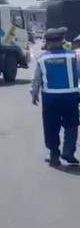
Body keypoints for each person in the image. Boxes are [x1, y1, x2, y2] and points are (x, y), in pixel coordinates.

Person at [30, 28, 80, 166]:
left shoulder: (42, 59)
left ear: (47, 42)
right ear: (62, 41)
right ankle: (68, 151)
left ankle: (54, 154)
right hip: (71, 96)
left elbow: (36, 79)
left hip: (50, 98)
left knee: (51, 126)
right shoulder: (73, 56)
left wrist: (34, 94)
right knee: (71, 125)